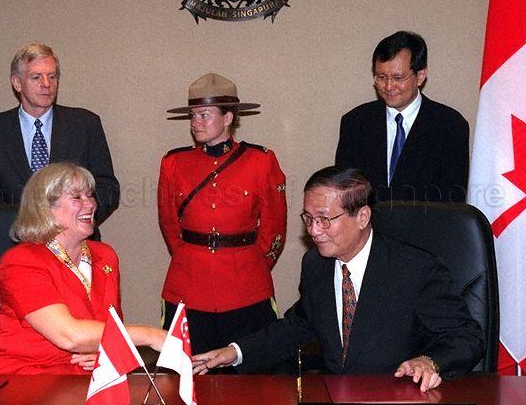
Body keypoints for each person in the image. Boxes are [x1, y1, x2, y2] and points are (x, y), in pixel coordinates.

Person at [193, 167, 484, 391]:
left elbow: (467, 337)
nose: (314, 231)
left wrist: (429, 361)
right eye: (308, 219)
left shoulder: (416, 270)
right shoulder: (316, 265)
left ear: (362, 216)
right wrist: (234, 352)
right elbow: (298, 326)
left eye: (324, 219)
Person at [0, 162, 165, 374]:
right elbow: (69, 336)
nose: (91, 204)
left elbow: (109, 330)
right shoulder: (21, 261)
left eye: (90, 195)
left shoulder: (105, 256)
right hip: (24, 380)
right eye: (77, 197)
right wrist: (150, 335)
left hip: (86, 383)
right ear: (44, 208)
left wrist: (110, 353)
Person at [158, 73, 287, 356]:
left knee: (252, 376)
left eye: (204, 115)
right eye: (193, 115)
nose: (195, 123)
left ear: (228, 118)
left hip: (246, 286)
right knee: (186, 372)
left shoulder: (261, 161)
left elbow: (274, 229)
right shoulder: (174, 163)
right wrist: (192, 258)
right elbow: (169, 224)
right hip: (189, 285)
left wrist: (251, 265)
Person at [0, 43, 120, 233]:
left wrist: (76, 218)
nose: (46, 84)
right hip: (14, 242)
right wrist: (30, 226)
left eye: (52, 76)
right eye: (36, 77)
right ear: (17, 83)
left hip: (75, 241)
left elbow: (107, 188)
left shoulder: (85, 125)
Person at [335, 31, 469, 203]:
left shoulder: (450, 126)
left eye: (398, 78)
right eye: (381, 77)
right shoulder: (355, 122)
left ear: (420, 76)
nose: (389, 86)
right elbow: (345, 193)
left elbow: (452, 200)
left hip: (426, 226)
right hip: (369, 228)